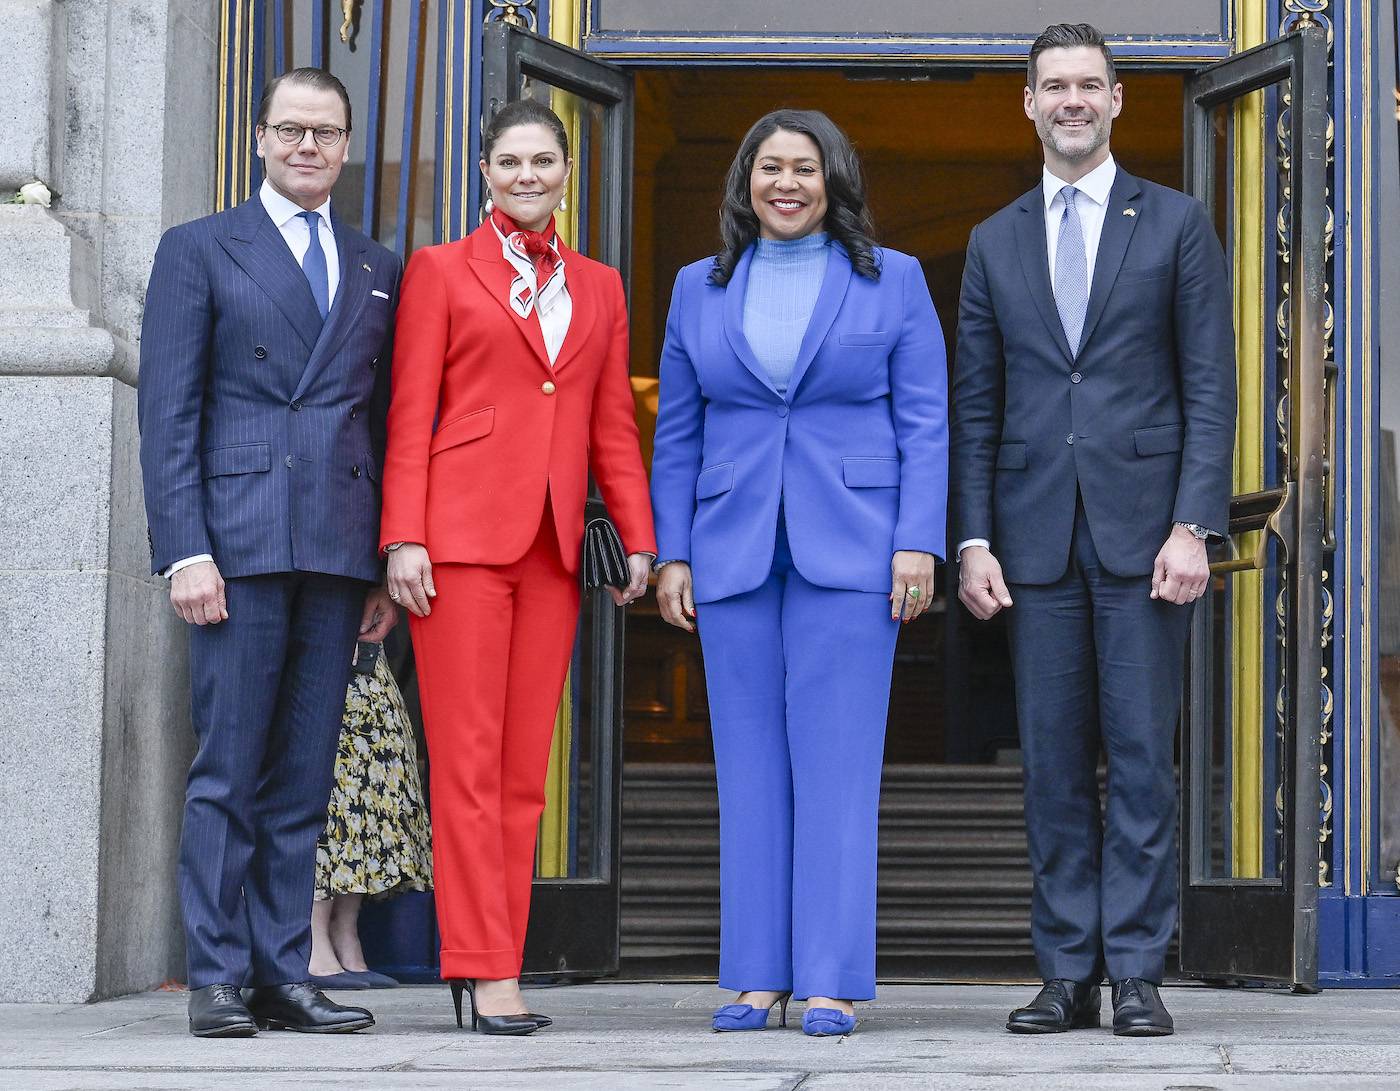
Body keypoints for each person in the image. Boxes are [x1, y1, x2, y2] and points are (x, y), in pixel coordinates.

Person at [950, 23, 1236, 1037]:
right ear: (1025, 104)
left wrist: (1191, 524)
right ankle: (1064, 970)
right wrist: (970, 539)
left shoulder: (1172, 224)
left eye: (1087, 85)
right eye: (1051, 86)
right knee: (1051, 762)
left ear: (1116, 101)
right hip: (1031, 546)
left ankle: (1135, 971)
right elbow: (974, 405)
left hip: (1144, 540)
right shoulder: (991, 240)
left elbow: (1209, 392)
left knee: (1140, 759)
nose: (1069, 100)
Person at [649, 109, 948, 1037]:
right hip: (733, 548)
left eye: (805, 169)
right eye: (769, 168)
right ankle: (755, 976)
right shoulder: (698, 286)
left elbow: (926, 419)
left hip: (856, 550)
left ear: (834, 182)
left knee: (838, 770)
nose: (787, 184)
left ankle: (827, 978)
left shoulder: (892, 279)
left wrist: (918, 539)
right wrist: (672, 551)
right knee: (746, 771)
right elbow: (677, 433)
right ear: (744, 181)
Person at [379, 98, 656, 1035]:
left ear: (568, 170)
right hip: (456, 543)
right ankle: (483, 967)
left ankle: (496, 956)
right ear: (484, 170)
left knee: (523, 773)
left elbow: (610, 421)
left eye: (544, 159)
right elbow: (409, 409)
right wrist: (401, 536)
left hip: (552, 550)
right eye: (510, 160)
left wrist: (639, 535)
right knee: (464, 762)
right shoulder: (439, 270)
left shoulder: (603, 286)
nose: (528, 175)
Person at [138, 67, 400, 1038]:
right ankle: (215, 972)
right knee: (228, 768)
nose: (306, 147)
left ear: (344, 145)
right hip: (237, 547)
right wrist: (183, 551)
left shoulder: (376, 263)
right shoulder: (199, 249)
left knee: (301, 774)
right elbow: (167, 413)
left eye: (324, 133)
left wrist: (378, 561)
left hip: (333, 548)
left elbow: (378, 419)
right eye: (290, 129)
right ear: (258, 138)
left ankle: (278, 971)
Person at [308, 640, 433, 990]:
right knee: (331, 784)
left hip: (362, 637)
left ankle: (345, 931)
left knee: (375, 779)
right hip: (313, 630)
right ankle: (311, 938)